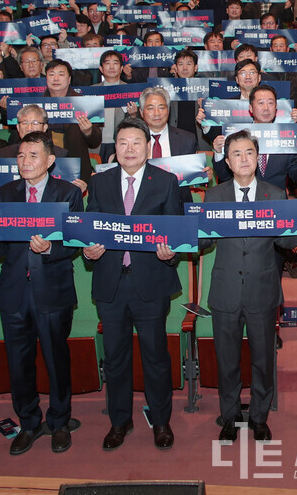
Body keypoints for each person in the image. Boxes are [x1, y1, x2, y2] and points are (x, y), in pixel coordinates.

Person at [204, 130, 297, 443]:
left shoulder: (275, 193)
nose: (244, 159)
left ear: (258, 158)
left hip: (263, 289)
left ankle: (259, 417)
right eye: (237, 154)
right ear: (227, 162)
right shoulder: (214, 196)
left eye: (249, 153)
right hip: (226, 290)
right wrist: (184, 234)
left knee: (263, 359)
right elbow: (204, 241)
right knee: (227, 361)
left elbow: (283, 240)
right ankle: (229, 418)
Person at [0, 131, 82, 455]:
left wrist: (51, 247)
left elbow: (75, 241)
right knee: (18, 364)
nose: (25, 161)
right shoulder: (4, 193)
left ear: (50, 161)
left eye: (33, 155)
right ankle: (29, 422)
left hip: (53, 290)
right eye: (21, 155)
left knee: (56, 360)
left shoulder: (67, 193)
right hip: (14, 292)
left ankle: (60, 421)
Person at [83, 118, 187, 451]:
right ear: (115, 147)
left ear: (148, 147)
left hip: (150, 284)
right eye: (123, 143)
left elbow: (176, 233)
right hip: (111, 284)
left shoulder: (167, 182)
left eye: (136, 143)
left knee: (155, 356)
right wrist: (89, 252)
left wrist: (170, 254)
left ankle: (161, 420)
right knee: (115, 358)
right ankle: (119, 421)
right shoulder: (100, 183)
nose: (129, 149)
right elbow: (90, 230)